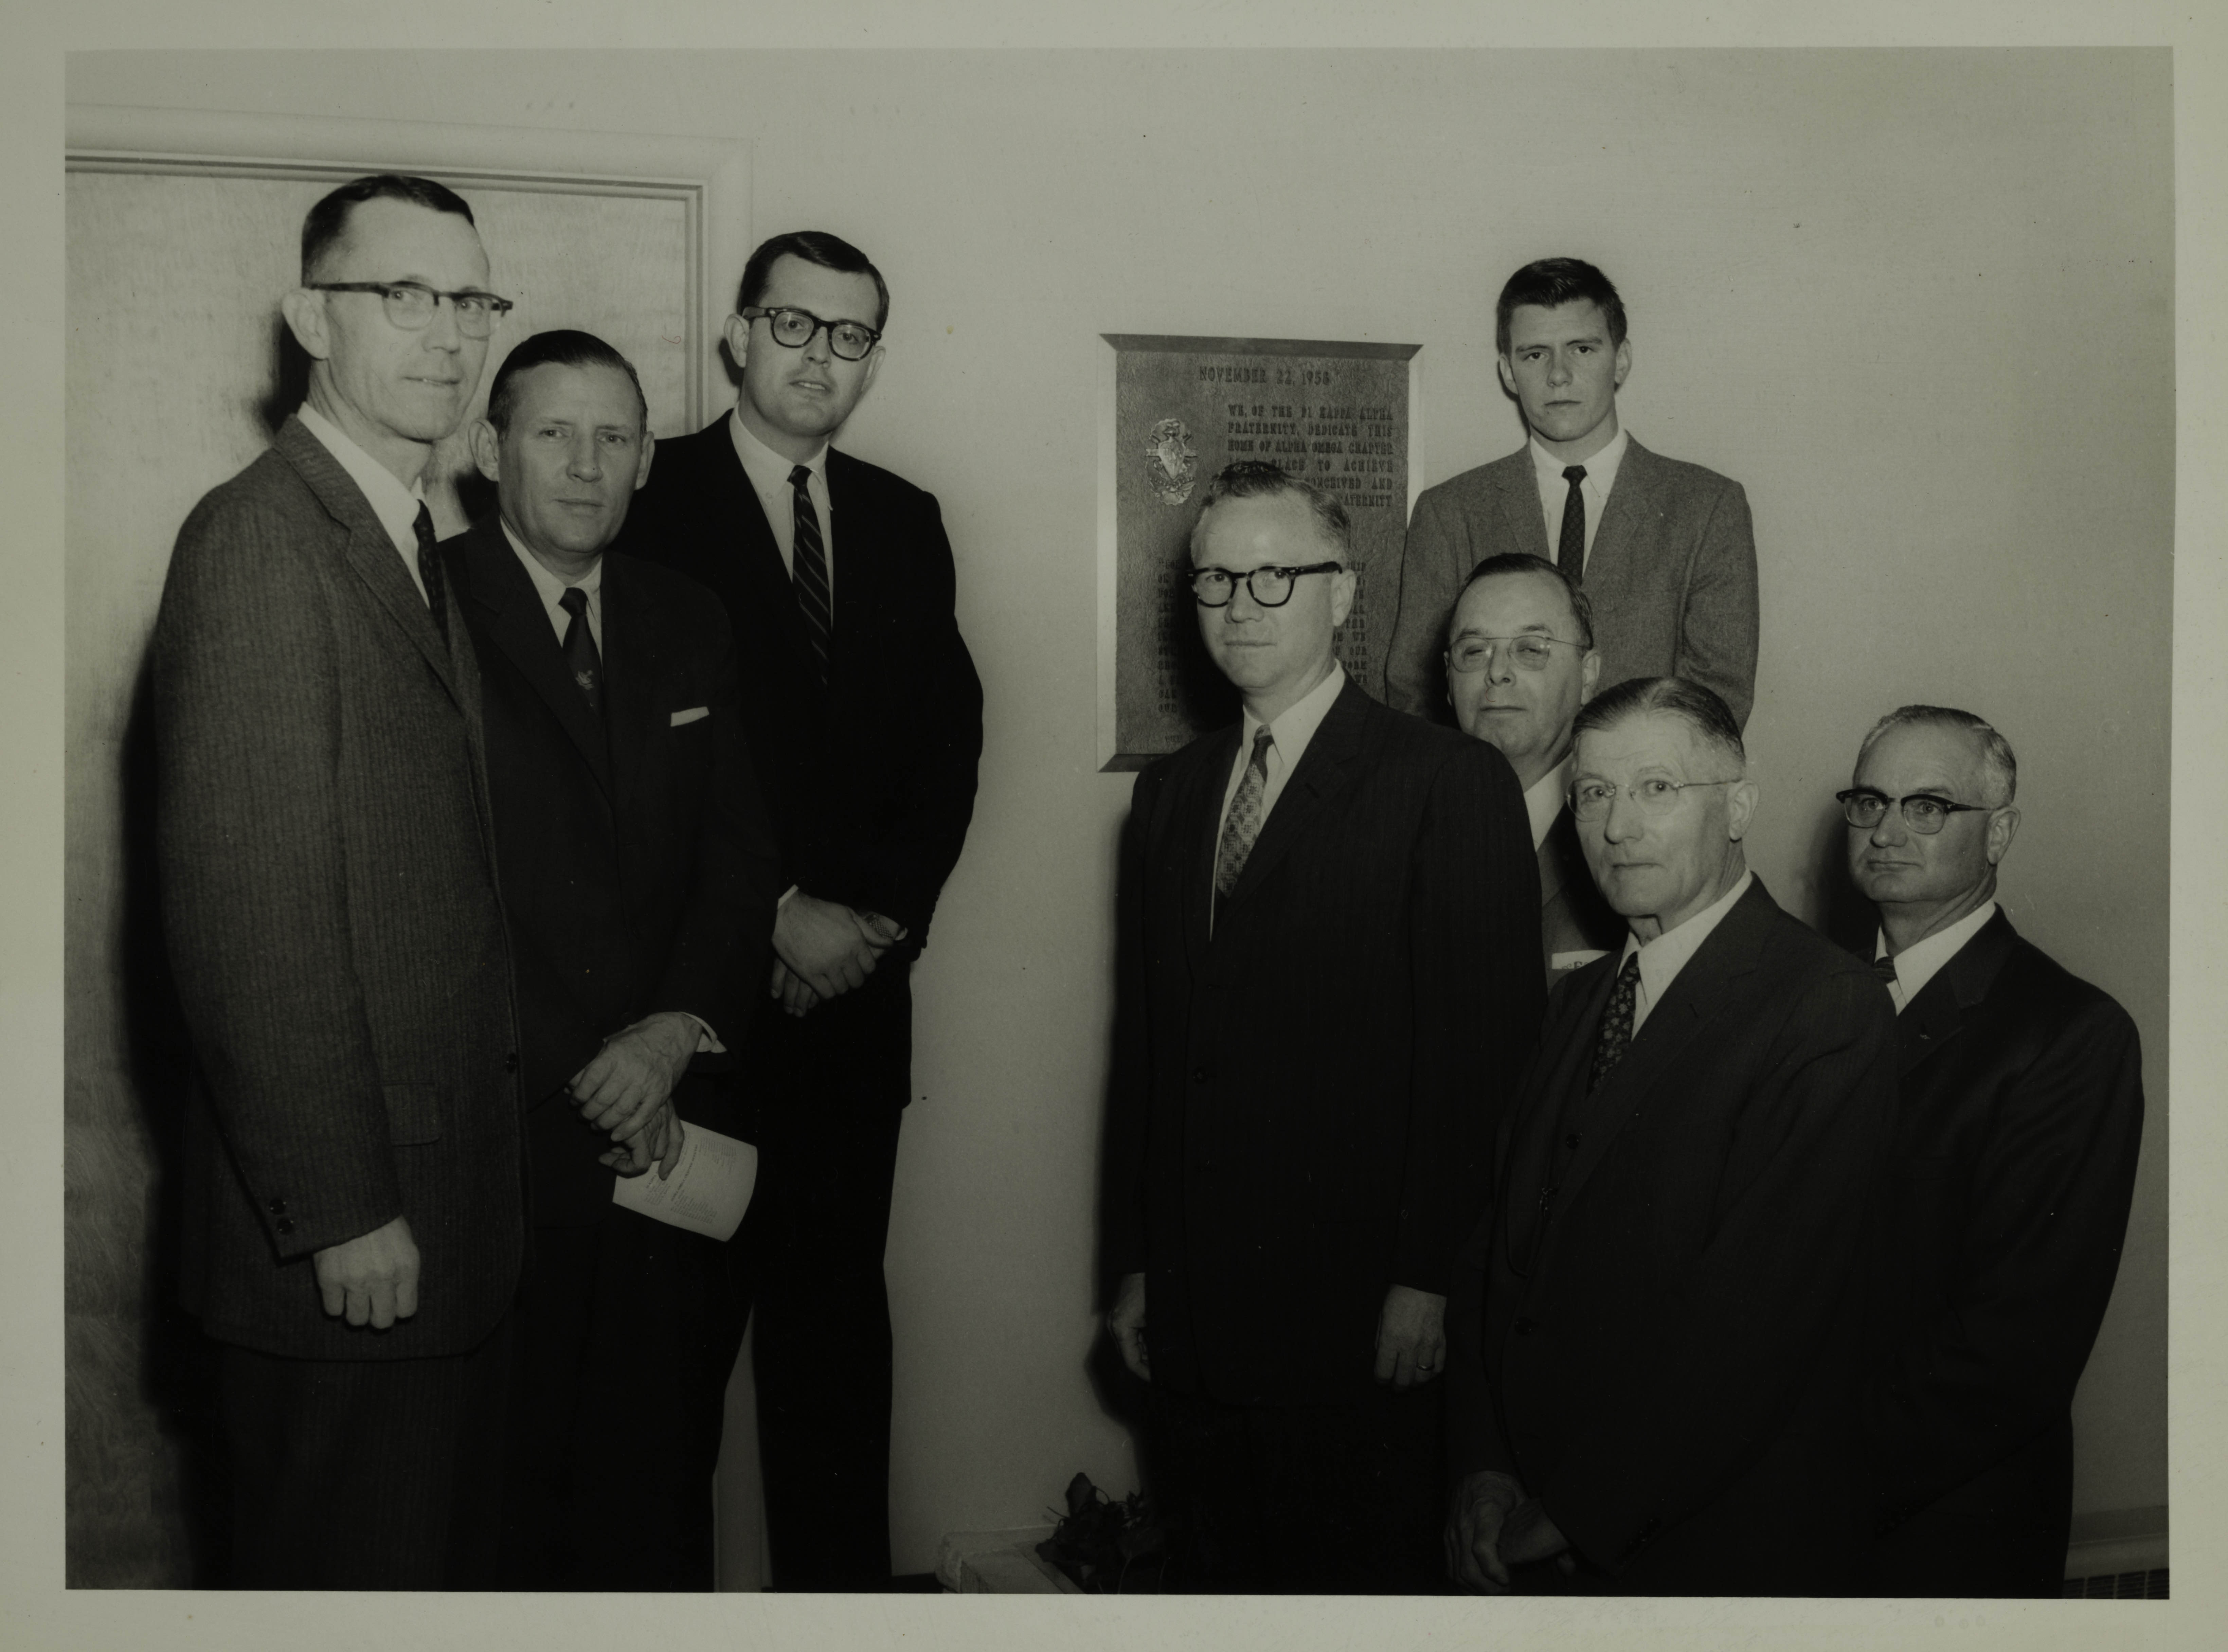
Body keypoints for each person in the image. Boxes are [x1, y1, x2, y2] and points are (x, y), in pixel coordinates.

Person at [149, 174, 522, 1588]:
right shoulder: (259, 539)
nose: (447, 336)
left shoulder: (401, 533)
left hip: (444, 1223)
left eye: (471, 300)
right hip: (353, 1247)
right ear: (313, 315)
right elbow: (249, 917)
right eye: (404, 296)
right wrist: (348, 1205)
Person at [611, 230, 982, 1588]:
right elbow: (637, 759)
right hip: (702, 1024)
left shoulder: (903, 518)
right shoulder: (650, 501)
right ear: (737, 337)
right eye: (793, 325)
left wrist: (873, 924)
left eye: (849, 335)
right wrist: (772, 912)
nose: (818, 355)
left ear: (873, 358)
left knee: (836, 1379)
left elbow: (951, 743)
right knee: (665, 1395)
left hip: (849, 1032)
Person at [1102, 460, 1544, 1592]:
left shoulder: (1446, 781)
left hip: (1360, 1326)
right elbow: (1150, 1054)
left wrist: (1430, 1279)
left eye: (1275, 576)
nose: (1240, 606)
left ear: (1343, 593)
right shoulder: (1171, 794)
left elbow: (1482, 1062)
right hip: (1196, 1322)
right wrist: (1137, 1260)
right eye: (1215, 580)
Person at [438, 330, 784, 1588]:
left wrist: (673, 1030)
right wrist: (588, 1061)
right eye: (553, 432)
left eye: (616, 437)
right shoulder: (422, 603)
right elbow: (433, 891)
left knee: (653, 1504)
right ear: (488, 450)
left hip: (667, 1138)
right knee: (505, 1520)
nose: (587, 465)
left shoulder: (689, 619)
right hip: (507, 1146)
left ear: (645, 459)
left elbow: (742, 858)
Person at [1443, 676, 1895, 1596]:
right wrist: (1483, 1467)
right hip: (1528, 1517)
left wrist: (1572, 1515)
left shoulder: (1823, 1006)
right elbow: (1498, 1255)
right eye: (1595, 794)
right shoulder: (1576, 1003)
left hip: (1690, 1552)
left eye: (1656, 789)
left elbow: (1755, 1320)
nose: (1616, 829)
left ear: (1739, 805)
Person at [1841, 706, 2144, 1597]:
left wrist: (1797, 1487)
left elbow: (2012, 1357)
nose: (1889, 830)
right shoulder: (1814, 1000)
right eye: (1869, 802)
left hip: (1943, 1537)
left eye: (1928, 807)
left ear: (2000, 831)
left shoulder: (2070, 1033)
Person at [1384, 258, 1758, 730]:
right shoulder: (1449, 512)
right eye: (1535, 354)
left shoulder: (1706, 507)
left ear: (1620, 360)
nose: (1558, 375)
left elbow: (1716, 700)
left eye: (1582, 349)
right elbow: (1414, 694)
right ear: (1507, 371)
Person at [1443, 553, 1625, 987]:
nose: (1497, 673)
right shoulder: (1406, 824)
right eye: (1474, 651)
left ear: (1587, 676)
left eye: (1530, 650)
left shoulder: (1625, 835)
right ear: (1446, 680)